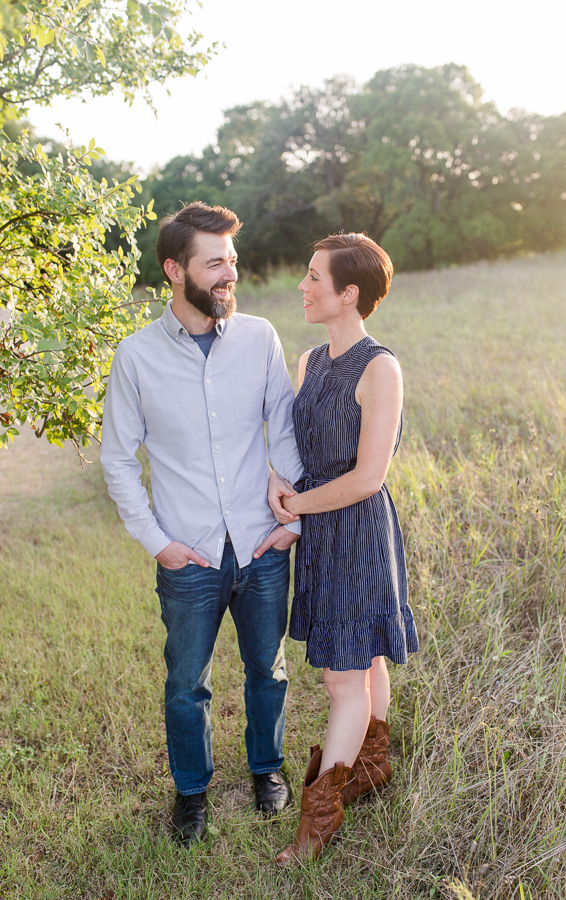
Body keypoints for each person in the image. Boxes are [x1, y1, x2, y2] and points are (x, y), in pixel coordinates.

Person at [100, 202, 303, 846]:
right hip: (189, 555)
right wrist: (158, 543)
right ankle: (193, 792)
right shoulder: (135, 358)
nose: (229, 276)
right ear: (174, 269)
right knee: (187, 683)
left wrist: (290, 508)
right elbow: (116, 459)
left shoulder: (260, 337)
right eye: (214, 264)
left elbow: (287, 427)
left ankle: (266, 770)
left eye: (233, 263)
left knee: (266, 671)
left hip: (262, 544)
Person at [266, 232, 418, 865]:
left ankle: (317, 821)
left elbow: (368, 477)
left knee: (341, 676)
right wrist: (286, 493)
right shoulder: (311, 361)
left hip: (358, 533)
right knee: (363, 657)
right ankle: (373, 763)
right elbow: (306, 454)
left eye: (313, 278)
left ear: (348, 293)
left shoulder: (379, 367)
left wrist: (296, 506)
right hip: (321, 531)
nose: (303, 287)